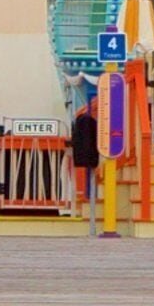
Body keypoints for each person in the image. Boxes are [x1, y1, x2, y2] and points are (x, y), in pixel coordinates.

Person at [68, 93, 104, 231]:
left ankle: (84, 196)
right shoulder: (88, 114)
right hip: (93, 149)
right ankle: (84, 196)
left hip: (91, 150)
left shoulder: (83, 113)